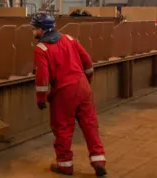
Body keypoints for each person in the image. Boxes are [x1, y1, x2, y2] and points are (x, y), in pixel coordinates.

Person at [31, 13, 107, 177]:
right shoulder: (70, 39)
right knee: (90, 125)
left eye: (34, 28)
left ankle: (65, 165)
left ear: (41, 30)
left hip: (64, 92)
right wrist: (87, 81)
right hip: (83, 87)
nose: (32, 31)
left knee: (63, 129)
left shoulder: (41, 48)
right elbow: (87, 62)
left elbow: (42, 77)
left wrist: (41, 99)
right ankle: (99, 162)